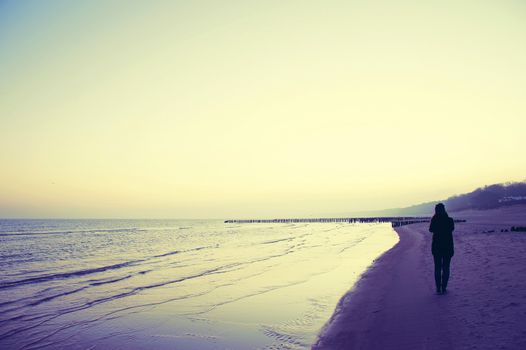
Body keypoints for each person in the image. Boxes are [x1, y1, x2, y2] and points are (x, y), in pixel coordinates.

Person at [428, 203, 454, 294]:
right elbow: (452, 229)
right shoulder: (449, 220)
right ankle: (444, 287)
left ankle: (438, 288)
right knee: (446, 268)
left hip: (437, 248)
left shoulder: (434, 220)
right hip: (447, 247)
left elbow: (431, 230)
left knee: (437, 268)